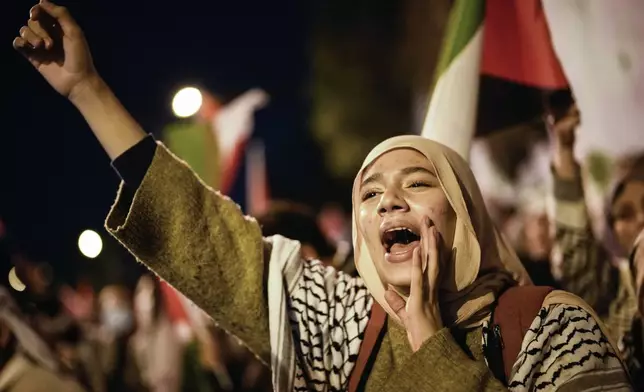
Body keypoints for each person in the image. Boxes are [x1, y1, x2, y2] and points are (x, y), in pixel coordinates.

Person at [13, 2, 633, 390]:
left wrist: (432, 353)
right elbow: (206, 234)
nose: (389, 201)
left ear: (466, 210)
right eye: (370, 193)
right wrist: (88, 90)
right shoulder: (340, 321)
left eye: (418, 183)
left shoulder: (552, 324)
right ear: (359, 232)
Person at [549, 104, 644, 384]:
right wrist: (565, 149)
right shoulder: (611, 287)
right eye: (625, 214)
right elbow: (574, 250)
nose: (640, 220)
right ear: (612, 229)